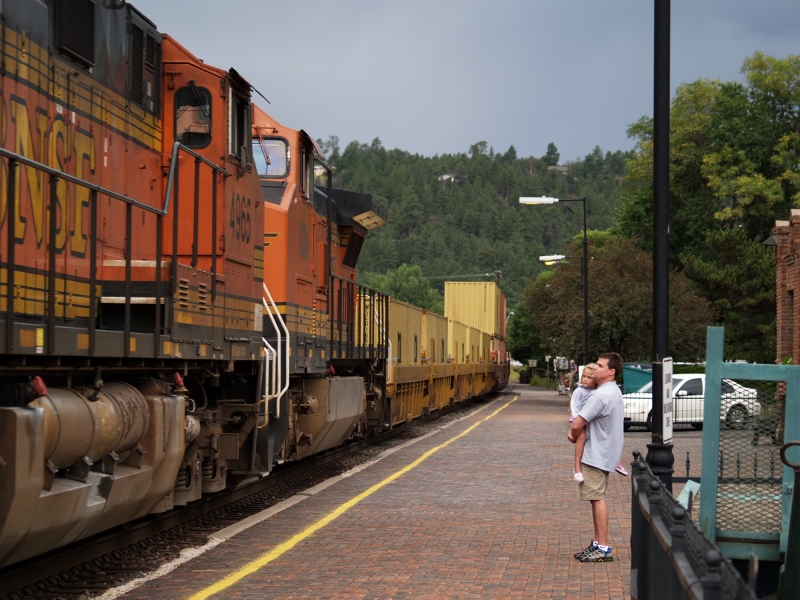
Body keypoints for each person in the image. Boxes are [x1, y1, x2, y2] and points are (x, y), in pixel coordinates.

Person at [567, 352, 624, 563]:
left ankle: (603, 547)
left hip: (596, 454)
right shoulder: (614, 392)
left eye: (600, 366)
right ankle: (598, 543)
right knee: (595, 497)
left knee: (597, 497)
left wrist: (572, 436)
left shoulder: (600, 395)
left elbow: (577, 423)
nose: (595, 368)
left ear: (611, 371)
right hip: (606, 451)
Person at [569, 363, 598, 483]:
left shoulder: (597, 391)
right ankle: (577, 468)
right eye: (584, 376)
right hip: (579, 420)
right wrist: (578, 420)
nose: (585, 379)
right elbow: (574, 407)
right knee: (581, 436)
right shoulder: (579, 391)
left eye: (589, 377)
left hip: (591, 421)